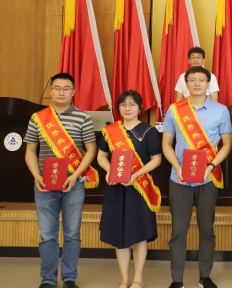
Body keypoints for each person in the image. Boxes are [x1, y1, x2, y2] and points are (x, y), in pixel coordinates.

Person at [24, 73, 98, 288]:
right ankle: (48, 279)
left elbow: (91, 150)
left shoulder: (83, 117)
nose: (61, 92)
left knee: (72, 234)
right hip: (44, 184)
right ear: (51, 91)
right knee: (47, 235)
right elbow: (30, 151)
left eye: (66, 88)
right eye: (57, 88)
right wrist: (36, 176)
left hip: (74, 184)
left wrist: (75, 176)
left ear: (73, 91)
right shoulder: (38, 118)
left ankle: (69, 278)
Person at [162, 66, 232, 288]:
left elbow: (227, 144)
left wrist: (211, 166)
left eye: (201, 80)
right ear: (186, 84)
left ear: (208, 84)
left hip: (208, 178)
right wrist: (177, 167)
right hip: (180, 178)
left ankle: (205, 276)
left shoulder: (221, 110)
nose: (197, 83)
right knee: (178, 230)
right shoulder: (175, 110)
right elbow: (166, 143)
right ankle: (177, 280)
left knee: (207, 228)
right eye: (192, 80)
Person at [98, 90, 162, 288]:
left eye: (132, 104)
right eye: (123, 104)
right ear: (118, 108)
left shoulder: (148, 131)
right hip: (116, 189)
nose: (128, 108)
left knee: (139, 234)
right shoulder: (110, 130)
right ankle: (124, 278)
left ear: (140, 108)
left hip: (139, 188)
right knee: (120, 235)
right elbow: (101, 156)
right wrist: (110, 171)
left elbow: (156, 159)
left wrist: (135, 175)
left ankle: (138, 279)